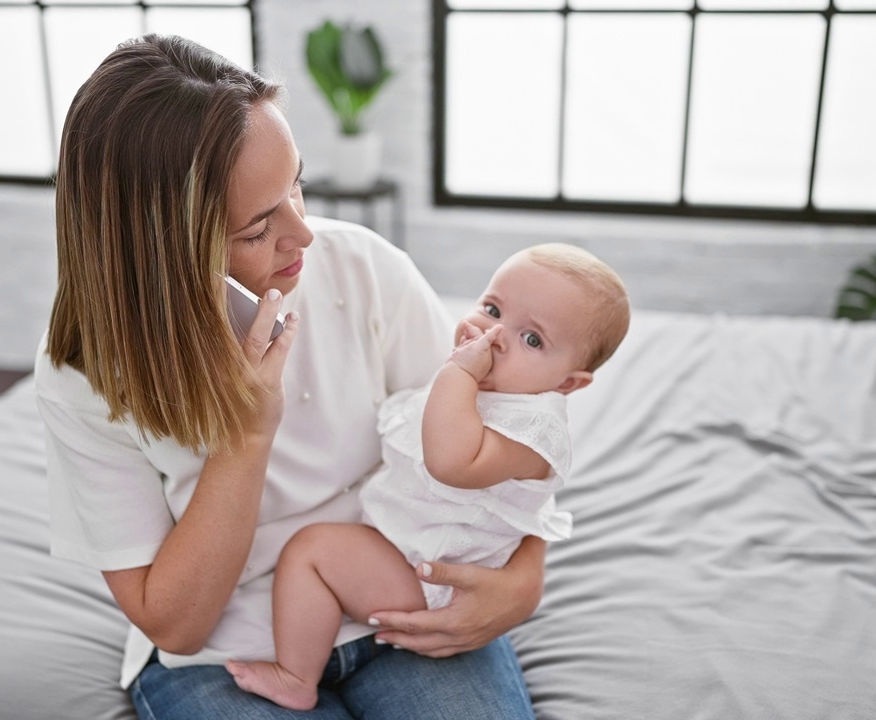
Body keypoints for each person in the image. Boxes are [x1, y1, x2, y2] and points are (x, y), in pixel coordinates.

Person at [34, 34, 551, 719]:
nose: (304, 234)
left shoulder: (362, 268)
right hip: (222, 653)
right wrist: (247, 436)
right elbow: (176, 623)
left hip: (397, 603)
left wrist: (524, 580)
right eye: (256, 229)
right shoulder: (86, 373)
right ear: (162, 254)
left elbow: (499, 440)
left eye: (297, 186)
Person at [225, 244, 631, 710]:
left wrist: (457, 373)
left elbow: (452, 463)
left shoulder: (534, 430)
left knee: (311, 553)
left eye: (532, 339)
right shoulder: (492, 386)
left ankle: (296, 676)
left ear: (568, 384)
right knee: (316, 551)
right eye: (492, 308)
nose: (494, 335)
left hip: (435, 581)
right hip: (408, 550)